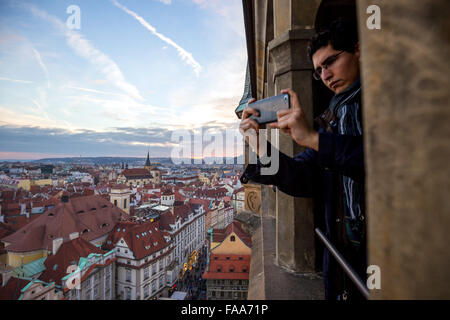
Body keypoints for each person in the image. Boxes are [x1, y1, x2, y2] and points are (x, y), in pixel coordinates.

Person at [239, 19, 366, 300]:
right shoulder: (331, 119)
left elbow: (377, 160)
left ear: (358, 51)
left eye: (331, 62)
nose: (326, 75)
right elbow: (300, 178)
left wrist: (310, 137)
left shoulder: (378, 105)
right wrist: (260, 146)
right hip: (346, 256)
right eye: (319, 70)